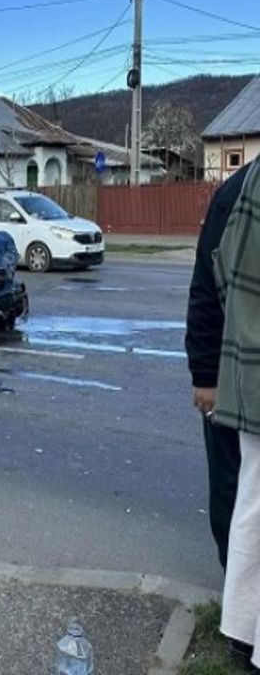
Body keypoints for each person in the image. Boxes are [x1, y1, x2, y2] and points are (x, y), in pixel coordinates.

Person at [187, 162, 251, 570]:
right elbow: (206, 291)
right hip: (232, 374)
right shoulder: (236, 195)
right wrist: (206, 376)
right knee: (233, 488)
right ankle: (236, 591)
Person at [213, 160, 260, 672]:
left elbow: (221, 265)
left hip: (249, 369)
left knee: (253, 501)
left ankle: (242, 631)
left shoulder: (248, 181)